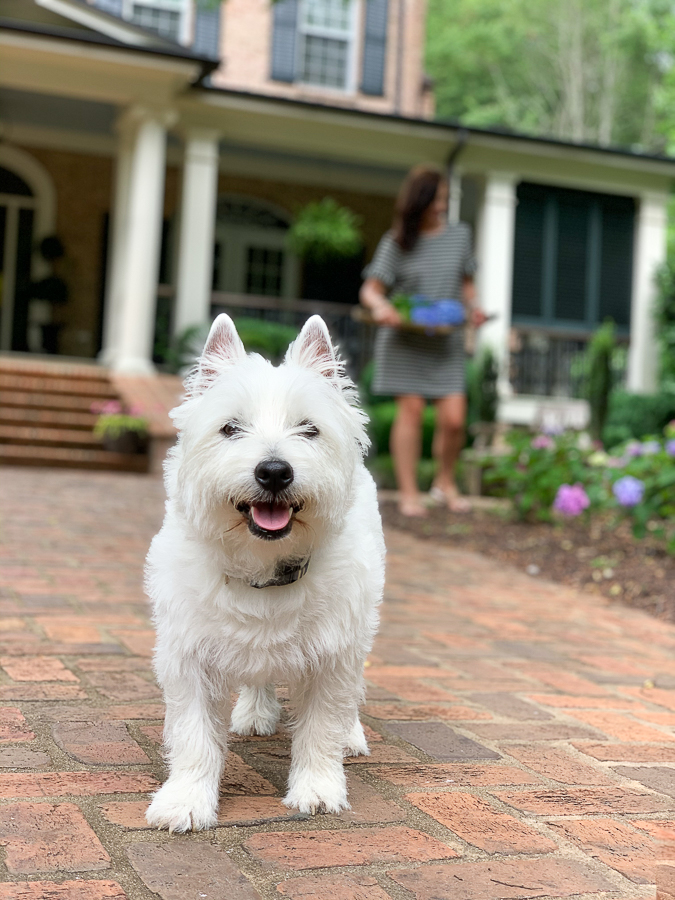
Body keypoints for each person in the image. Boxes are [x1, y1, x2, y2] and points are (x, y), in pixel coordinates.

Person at [359, 164, 487, 517]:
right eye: (435, 199)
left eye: (445, 199)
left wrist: (474, 308)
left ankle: (444, 482)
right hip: (405, 341)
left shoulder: (460, 235)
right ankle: (409, 492)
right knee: (411, 411)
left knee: (454, 419)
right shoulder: (397, 241)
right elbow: (371, 289)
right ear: (419, 201)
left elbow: (466, 284)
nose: (441, 206)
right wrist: (382, 306)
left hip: (445, 342)